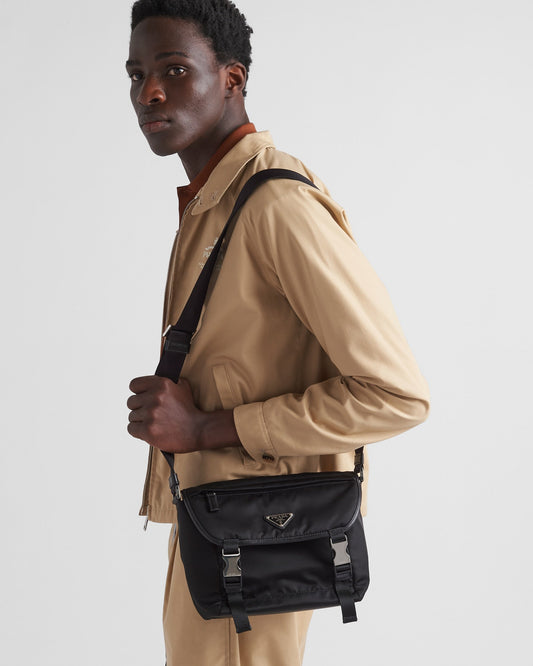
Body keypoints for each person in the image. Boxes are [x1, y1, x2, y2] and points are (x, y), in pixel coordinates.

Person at [125, 1, 430, 664]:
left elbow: (395, 394)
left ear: (231, 79)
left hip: (256, 541)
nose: (149, 92)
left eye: (174, 70)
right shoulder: (214, 205)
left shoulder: (276, 206)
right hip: (215, 527)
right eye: (137, 74)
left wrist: (205, 428)